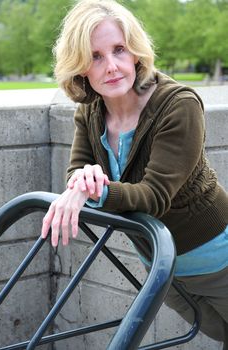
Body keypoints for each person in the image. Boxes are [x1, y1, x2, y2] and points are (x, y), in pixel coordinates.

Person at [41, 0, 228, 347]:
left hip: (218, 256)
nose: (111, 66)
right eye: (95, 56)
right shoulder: (91, 109)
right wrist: (82, 182)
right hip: (162, 263)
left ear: (136, 53)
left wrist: (96, 190)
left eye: (119, 50)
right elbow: (78, 169)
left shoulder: (178, 104)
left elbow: (154, 196)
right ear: (80, 65)